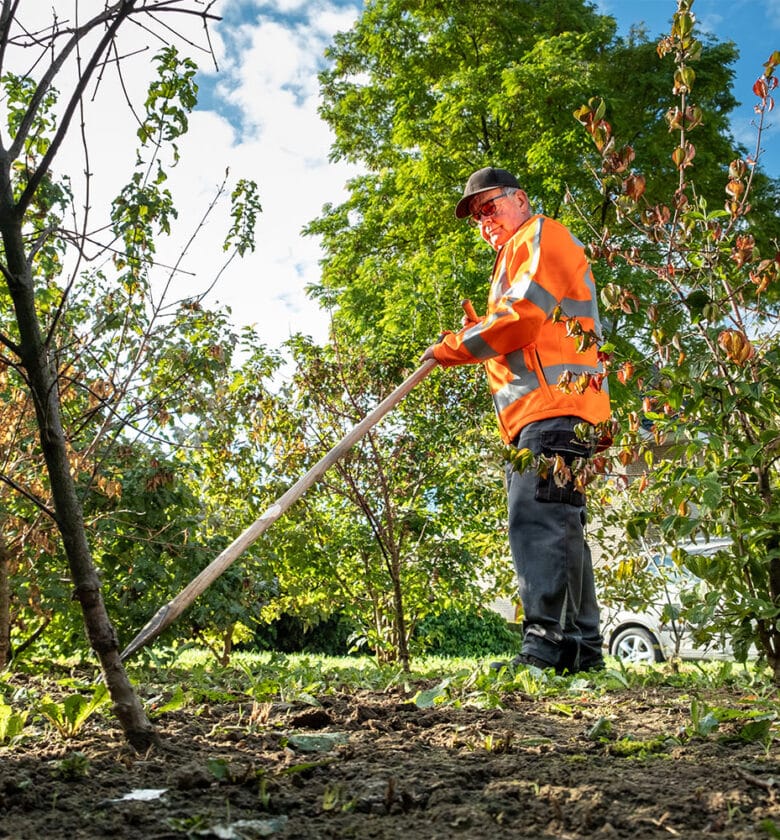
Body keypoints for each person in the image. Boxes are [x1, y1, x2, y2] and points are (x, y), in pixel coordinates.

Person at [421, 166, 611, 674]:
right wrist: (478, 332)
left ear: (520, 200)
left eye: (490, 207)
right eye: (476, 217)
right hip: (552, 412)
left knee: (538, 523)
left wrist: (455, 347)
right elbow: (521, 334)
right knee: (562, 525)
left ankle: (544, 651)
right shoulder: (514, 258)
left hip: (555, 410)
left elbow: (523, 316)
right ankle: (582, 652)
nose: (484, 221)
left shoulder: (540, 235)